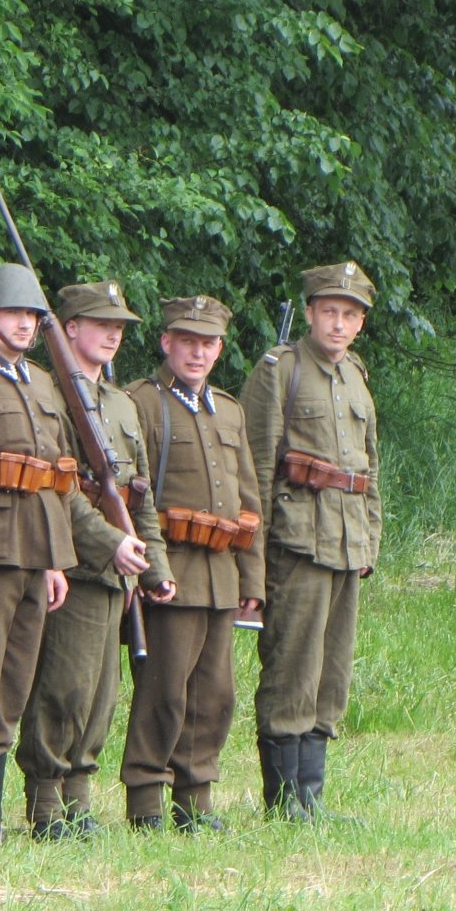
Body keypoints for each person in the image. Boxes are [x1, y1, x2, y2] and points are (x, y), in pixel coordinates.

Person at [0, 264, 123, 843]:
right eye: (13, 312)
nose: (25, 324)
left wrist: (56, 560)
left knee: (10, 688)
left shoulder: (41, 383)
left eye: (32, 315)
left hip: (35, 555)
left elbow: (57, 478)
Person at [15, 281, 170, 838]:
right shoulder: (51, 395)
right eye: (101, 324)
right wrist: (111, 543)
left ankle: (78, 800)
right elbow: (63, 490)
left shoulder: (123, 404)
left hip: (117, 569)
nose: (113, 335)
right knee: (63, 687)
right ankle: (46, 805)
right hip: (75, 561)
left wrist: (155, 567)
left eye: (119, 327)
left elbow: (140, 493)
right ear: (70, 329)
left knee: (101, 694)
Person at [241, 261, 382, 819]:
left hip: (348, 544)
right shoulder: (281, 370)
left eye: (349, 315)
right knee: (292, 668)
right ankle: (283, 803)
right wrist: (252, 565)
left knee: (332, 671)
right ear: (309, 313)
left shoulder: (357, 375)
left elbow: (370, 468)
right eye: (329, 312)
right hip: (296, 542)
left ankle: (310, 797)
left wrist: (371, 538)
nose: (338, 324)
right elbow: (256, 471)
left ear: (361, 323)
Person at [121, 295, 264, 831]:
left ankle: (195, 800)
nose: (197, 353)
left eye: (207, 344)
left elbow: (249, 503)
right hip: (172, 571)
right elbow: (133, 493)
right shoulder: (142, 402)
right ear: (167, 343)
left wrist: (253, 580)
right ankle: (146, 802)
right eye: (187, 342)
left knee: (215, 694)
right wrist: (150, 569)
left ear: (220, 349)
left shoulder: (229, 409)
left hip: (222, 573)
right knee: (163, 691)